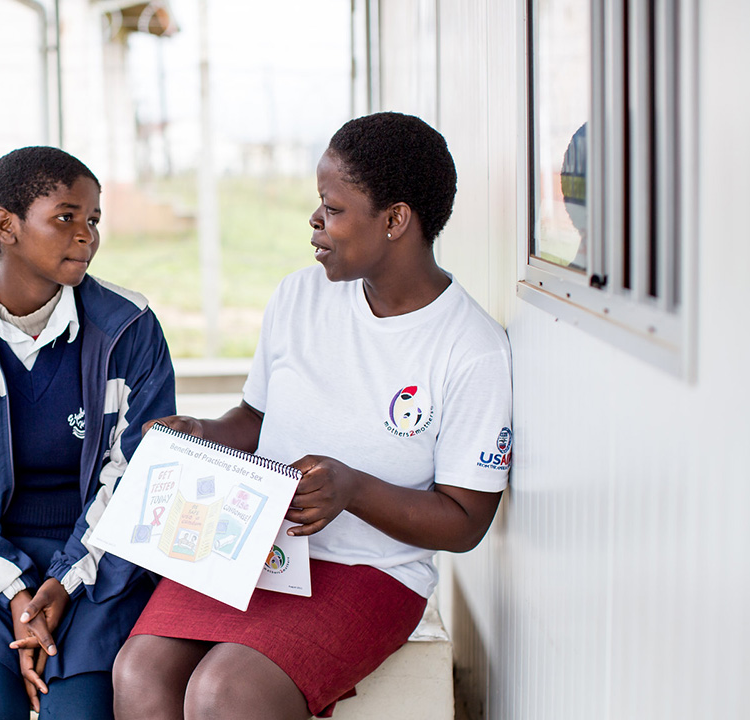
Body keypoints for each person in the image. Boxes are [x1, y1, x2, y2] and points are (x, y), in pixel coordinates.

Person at [112, 112, 513, 720]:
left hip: (372, 571)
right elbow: (254, 418)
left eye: (334, 207)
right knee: (140, 671)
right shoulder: (300, 295)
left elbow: (464, 523)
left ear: (396, 219)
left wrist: (349, 489)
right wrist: (204, 435)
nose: (315, 220)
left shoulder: (470, 348)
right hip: (253, 548)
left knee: (225, 691)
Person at [0, 146, 176, 719]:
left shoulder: (129, 328)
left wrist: (63, 586)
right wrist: (19, 592)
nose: (86, 236)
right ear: (7, 225)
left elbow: (138, 477)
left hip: (99, 567)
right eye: (66, 217)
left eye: (94, 219)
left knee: (79, 712)